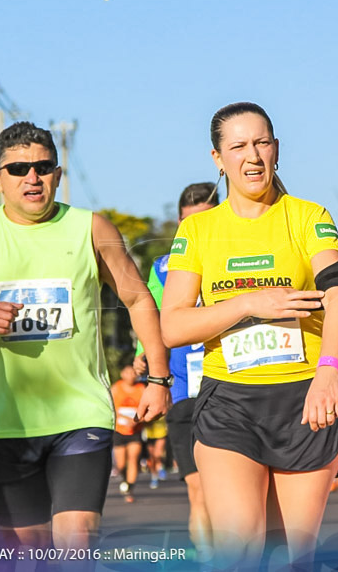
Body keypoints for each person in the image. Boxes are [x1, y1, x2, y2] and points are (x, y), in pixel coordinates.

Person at [0, 121, 171, 550]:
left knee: (76, 541)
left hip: (81, 415)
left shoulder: (92, 229)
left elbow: (138, 300)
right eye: (18, 169)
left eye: (42, 166)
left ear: (57, 174)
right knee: (30, 551)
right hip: (8, 424)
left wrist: (159, 378)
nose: (32, 177)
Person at [161, 102, 338, 567]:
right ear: (218, 159)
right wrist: (248, 303)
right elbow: (173, 325)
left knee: (292, 557)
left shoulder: (308, 217)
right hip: (230, 402)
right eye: (238, 146)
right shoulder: (198, 230)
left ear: (275, 149)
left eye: (262, 143)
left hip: (306, 400)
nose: (252, 156)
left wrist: (329, 374)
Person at [136, 181, 217, 558]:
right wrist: (143, 353)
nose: (197, 229)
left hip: (233, 388)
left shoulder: (236, 255)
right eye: (188, 222)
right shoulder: (163, 267)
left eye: (206, 219)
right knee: (199, 491)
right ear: (179, 222)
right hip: (185, 393)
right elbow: (148, 313)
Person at [110, 365, 146, 504]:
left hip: (135, 430)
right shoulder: (116, 388)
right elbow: (110, 407)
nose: (131, 375)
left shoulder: (141, 389)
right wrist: (123, 418)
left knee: (133, 458)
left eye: (133, 373)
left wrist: (136, 421)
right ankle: (124, 480)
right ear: (122, 374)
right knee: (120, 463)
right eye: (127, 372)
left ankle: (129, 488)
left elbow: (146, 408)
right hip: (119, 430)